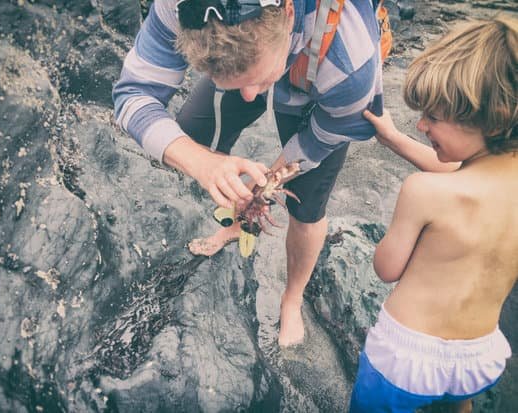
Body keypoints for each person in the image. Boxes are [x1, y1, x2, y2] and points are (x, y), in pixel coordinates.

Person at [112, 0, 385, 346]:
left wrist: (268, 184)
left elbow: (324, 136)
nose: (251, 95)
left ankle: (292, 298)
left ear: (287, 16)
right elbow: (132, 94)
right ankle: (238, 222)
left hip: (318, 70)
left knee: (307, 205)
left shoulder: (350, 65)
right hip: (264, 54)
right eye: (228, 80)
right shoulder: (176, 5)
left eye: (258, 80)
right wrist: (203, 162)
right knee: (190, 132)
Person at [350, 15, 517, 413]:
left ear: (488, 117)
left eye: (434, 118)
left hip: (406, 360)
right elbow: (461, 170)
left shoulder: (424, 192)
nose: (421, 125)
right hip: (478, 356)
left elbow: (387, 268)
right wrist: (393, 138)